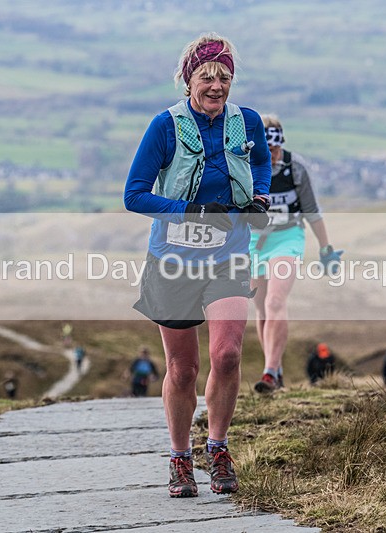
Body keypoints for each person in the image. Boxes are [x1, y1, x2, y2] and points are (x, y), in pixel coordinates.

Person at [124, 33, 271, 498]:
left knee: (227, 355)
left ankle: (219, 448)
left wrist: (260, 197)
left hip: (228, 254)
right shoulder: (164, 127)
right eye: (207, 76)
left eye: (224, 77)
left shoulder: (246, 121)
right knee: (182, 369)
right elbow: (134, 194)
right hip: (173, 261)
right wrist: (187, 212)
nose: (216, 85)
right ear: (188, 79)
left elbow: (262, 164)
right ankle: (180, 457)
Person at [250, 114, 343, 393]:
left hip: (288, 238)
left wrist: (325, 249)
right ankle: (275, 370)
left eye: (277, 150)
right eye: (269, 151)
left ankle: (268, 372)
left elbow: (313, 213)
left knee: (276, 301)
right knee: (262, 308)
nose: (274, 156)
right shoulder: (247, 168)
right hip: (255, 241)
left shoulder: (296, 169)